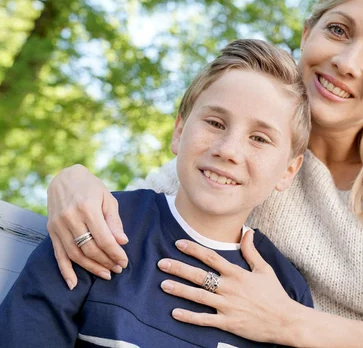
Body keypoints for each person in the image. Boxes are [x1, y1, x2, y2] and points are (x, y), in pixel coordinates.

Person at [45, 0, 363, 348]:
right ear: (306, 32)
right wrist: (73, 181)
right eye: (338, 30)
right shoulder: (250, 143)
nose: (348, 62)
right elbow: (151, 206)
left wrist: (292, 324)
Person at [0, 39, 314, 347]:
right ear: (179, 132)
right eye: (216, 123)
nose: (228, 150)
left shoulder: (285, 292)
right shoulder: (99, 226)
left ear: (288, 170)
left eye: (259, 138)